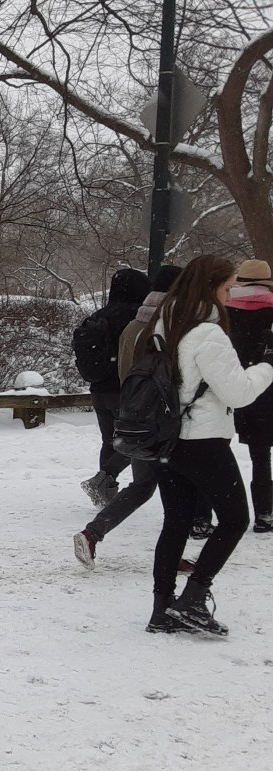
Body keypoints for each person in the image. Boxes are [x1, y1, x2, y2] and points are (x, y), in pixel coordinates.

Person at [139, 255, 273, 636]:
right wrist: (268, 364)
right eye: (228, 287)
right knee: (235, 520)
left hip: (167, 438)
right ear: (211, 286)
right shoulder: (208, 334)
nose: (231, 294)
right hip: (203, 440)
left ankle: (162, 608)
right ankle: (194, 598)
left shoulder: (164, 322)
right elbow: (239, 392)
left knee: (176, 522)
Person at [79, 267, 152, 507]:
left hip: (99, 389)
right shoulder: (137, 317)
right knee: (137, 440)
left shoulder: (99, 316)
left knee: (109, 441)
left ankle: (104, 490)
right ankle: (105, 478)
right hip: (127, 388)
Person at [224, 259, 273, 533]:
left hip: (227, 384)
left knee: (214, 450)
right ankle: (264, 514)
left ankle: (202, 517)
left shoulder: (223, 311)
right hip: (265, 388)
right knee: (261, 455)